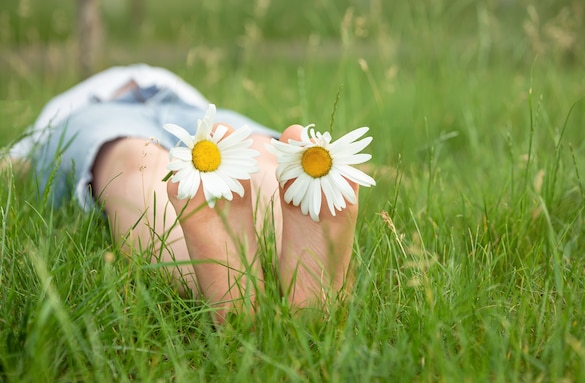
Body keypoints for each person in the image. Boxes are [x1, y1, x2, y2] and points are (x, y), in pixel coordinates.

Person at [3, 64, 364, 324]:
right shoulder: (56, 116)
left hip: (193, 108)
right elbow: (16, 161)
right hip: (95, 116)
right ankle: (268, 275)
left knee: (248, 151)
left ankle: (246, 273)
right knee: (141, 159)